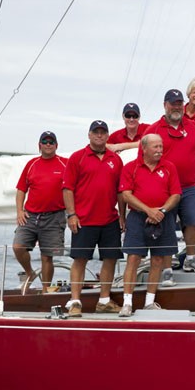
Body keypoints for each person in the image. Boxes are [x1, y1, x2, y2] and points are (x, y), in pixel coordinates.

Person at [145, 89, 195, 276]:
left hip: (188, 186)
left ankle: (191, 258)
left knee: (194, 219)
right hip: (164, 188)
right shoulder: (153, 130)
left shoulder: (192, 127)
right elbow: (142, 159)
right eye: (172, 103)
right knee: (166, 225)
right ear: (165, 105)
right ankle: (168, 267)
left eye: (179, 103)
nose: (176, 107)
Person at [63, 120, 125, 317]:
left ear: (107, 136)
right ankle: (75, 302)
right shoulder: (77, 158)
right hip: (83, 220)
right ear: (89, 135)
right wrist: (71, 214)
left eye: (103, 132)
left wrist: (122, 216)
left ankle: (104, 300)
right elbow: (67, 188)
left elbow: (121, 192)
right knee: (80, 260)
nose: (99, 135)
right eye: (95, 132)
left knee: (111, 259)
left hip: (109, 219)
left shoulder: (115, 159)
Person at [118, 134, 181, 316]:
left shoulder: (169, 167)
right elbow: (126, 194)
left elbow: (176, 194)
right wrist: (148, 211)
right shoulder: (131, 168)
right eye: (155, 147)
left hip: (164, 217)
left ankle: (149, 302)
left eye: (161, 147)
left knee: (158, 259)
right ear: (144, 148)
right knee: (133, 259)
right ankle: (127, 303)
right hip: (138, 218)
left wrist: (160, 211)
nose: (160, 150)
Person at [13, 131, 68, 293]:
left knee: (47, 255)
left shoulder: (65, 164)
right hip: (30, 215)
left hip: (55, 216)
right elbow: (21, 189)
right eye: (45, 141)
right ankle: (29, 272)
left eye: (51, 142)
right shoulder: (31, 164)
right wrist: (19, 211)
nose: (48, 144)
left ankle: (45, 289)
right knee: (18, 246)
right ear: (39, 145)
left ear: (56, 146)